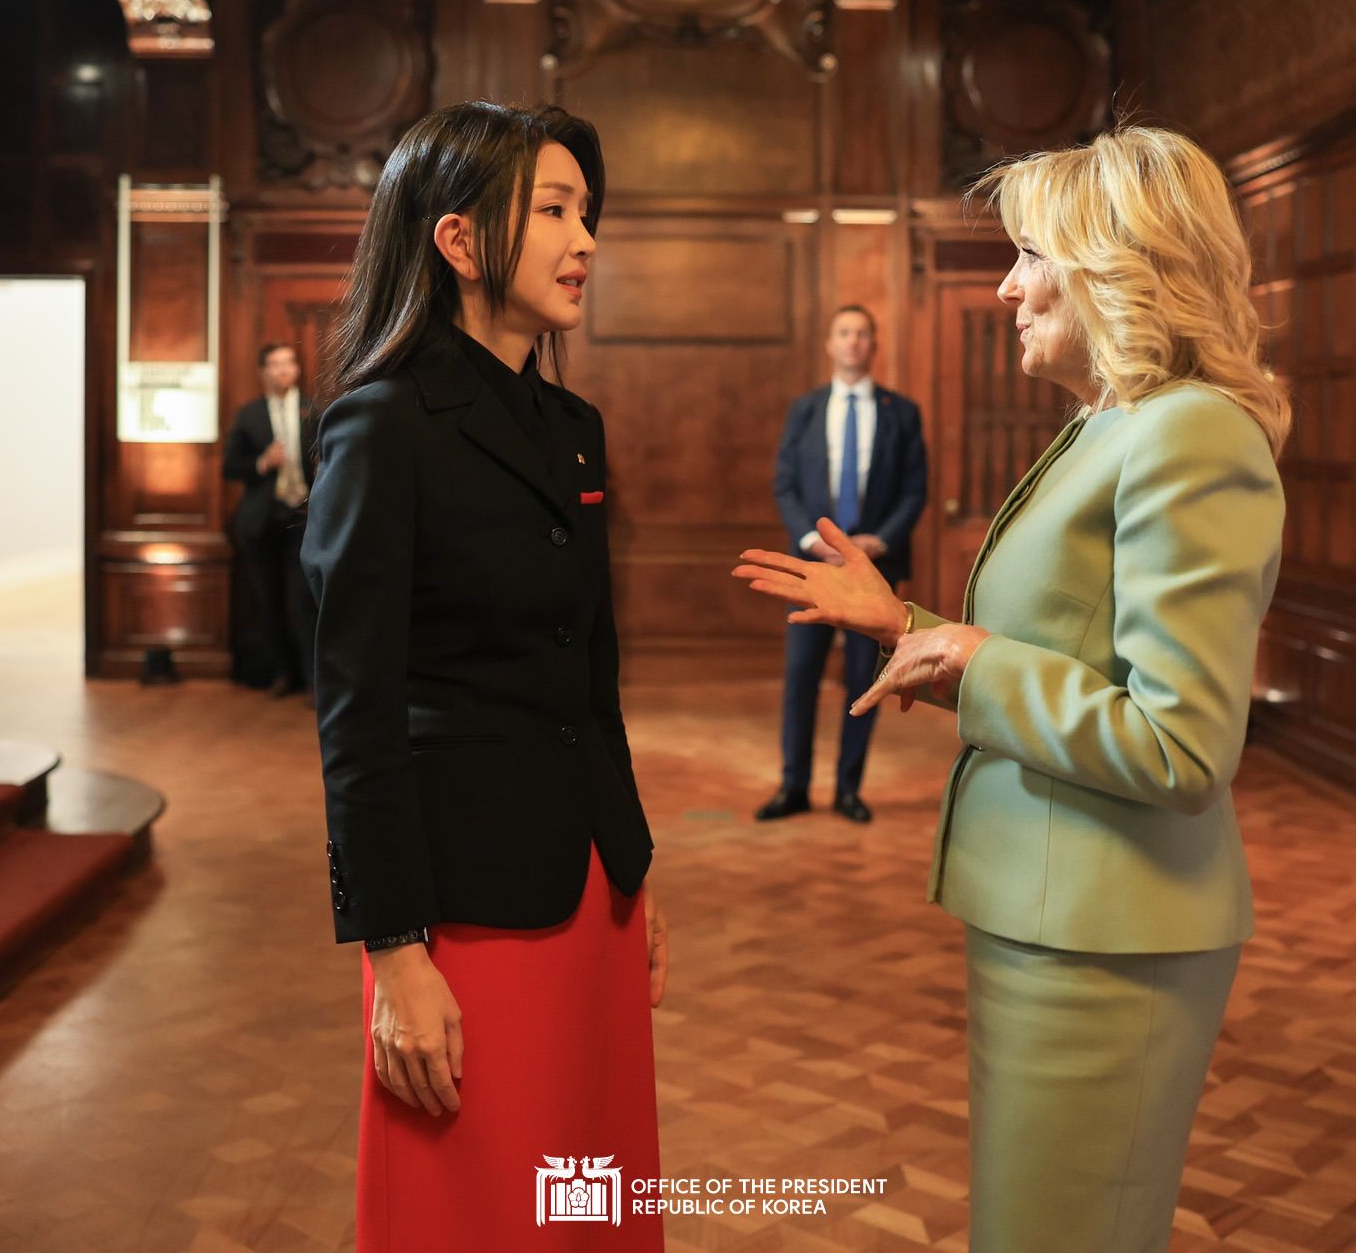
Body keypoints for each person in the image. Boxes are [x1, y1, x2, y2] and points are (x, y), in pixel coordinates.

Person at [734, 125, 1289, 1253]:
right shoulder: (1112, 423)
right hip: (1055, 914)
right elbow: (1065, 656)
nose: (1006, 285)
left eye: (1031, 253)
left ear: (1112, 264)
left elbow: (1179, 747)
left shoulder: (1190, 435)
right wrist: (914, 628)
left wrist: (975, 661)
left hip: (1110, 932)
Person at [303, 100, 669, 1252]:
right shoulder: (383, 427)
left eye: (587, 212)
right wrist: (393, 949)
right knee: (480, 1212)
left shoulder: (572, 427)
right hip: (461, 908)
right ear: (458, 243)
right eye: (555, 210)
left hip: (586, 890)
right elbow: (355, 714)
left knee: (586, 1201)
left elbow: (588, 673)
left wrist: (635, 862)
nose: (586, 240)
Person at [758, 306, 927, 824]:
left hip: (874, 569)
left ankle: (849, 789)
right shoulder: (804, 409)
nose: (853, 342)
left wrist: (880, 540)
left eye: (861, 334)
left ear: (872, 345)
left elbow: (914, 489)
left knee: (864, 678)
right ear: (830, 344)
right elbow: (785, 484)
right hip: (815, 565)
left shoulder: (902, 411)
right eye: (844, 333)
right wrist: (813, 540)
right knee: (801, 675)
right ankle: (794, 786)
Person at [225, 342, 319, 696]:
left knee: (303, 600)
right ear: (264, 371)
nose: (283, 370)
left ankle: (313, 681)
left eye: (289, 363)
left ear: (297, 369)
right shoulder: (249, 414)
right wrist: (261, 464)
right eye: (275, 364)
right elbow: (229, 466)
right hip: (261, 520)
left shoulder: (314, 410)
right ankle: (283, 673)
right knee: (266, 598)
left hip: (303, 516)